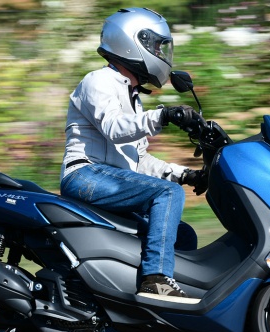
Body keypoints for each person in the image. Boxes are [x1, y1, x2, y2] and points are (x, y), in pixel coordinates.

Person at [60, 7, 206, 303]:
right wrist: (163, 116)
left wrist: (185, 174)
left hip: (110, 178)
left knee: (184, 234)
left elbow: (137, 161)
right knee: (167, 195)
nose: (160, 53)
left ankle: (153, 307)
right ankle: (155, 279)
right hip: (85, 174)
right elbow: (114, 128)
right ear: (131, 42)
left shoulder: (132, 96)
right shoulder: (98, 81)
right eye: (155, 45)